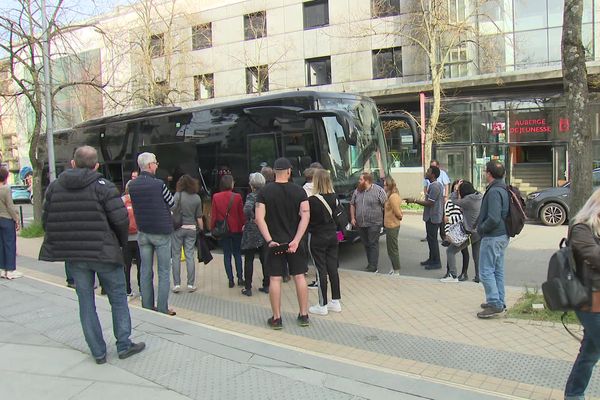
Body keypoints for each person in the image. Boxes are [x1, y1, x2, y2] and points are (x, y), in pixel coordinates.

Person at [39, 146, 145, 364]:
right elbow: (121, 220)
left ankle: (98, 351)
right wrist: (119, 243)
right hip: (104, 252)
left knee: (85, 302)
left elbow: (46, 220)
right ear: (96, 165)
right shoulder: (104, 187)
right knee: (117, 298)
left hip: (75, 256)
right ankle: (124, 344)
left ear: (73, 163)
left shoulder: (54, 188)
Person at [255, 157, 310, 329]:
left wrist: (269, 240)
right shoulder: (300, 192)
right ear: (288, 171)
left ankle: (277, 318)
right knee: (299, 276)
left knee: (275, 279)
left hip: (275, 244)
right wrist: (296, 240)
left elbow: (259, 218)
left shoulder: (264, 192)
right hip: (295, 244)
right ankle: (303, 315)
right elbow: (305, 216)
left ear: (273, 173)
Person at [128, 152, 176, 316]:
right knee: (163, 271)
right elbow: (171, 202)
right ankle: (162, 307)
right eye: (155, 162)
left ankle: (147, 305)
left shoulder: (132, 186)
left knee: (145, 270)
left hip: (143, 232)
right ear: (149, 165)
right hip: (161, 232)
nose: (157, 165)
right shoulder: (159, 184)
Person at [564, 189, 600, 400]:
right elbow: (594, 257)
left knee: (590, 353)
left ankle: (574, 394)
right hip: (589, 299)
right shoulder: (581, 228)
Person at [476, 160, 509, 319]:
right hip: (502, 235)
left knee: (485, 271)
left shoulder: (495, 191)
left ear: (489, 173)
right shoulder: (503, 188)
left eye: (485, 171)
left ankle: (495, 302)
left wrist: (481, 228)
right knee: (497, 271)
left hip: (493, 236)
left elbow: (494, 218)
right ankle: (499, 301)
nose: (484, 174)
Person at [307, 169, 342, 315]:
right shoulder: (335, 197)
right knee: (333, 268)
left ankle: (322, 305)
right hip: (332, 236)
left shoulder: (312, 200)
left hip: (317, 237)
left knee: (320, 269)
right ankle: (336, 301)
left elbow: (307, 220)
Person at [406, 166, 444, 270]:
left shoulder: (435, 186)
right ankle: (431, 259)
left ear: (433, 175)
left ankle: (436, 262)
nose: (426, 172)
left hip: (433, 217)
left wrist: (414, 200)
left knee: (433, 240)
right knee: (431, 240)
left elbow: (430, 203)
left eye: (428, 171)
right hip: (431, 217)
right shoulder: (433, 185)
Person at [211, 174, 245, 288]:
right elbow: (241, 215)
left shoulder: (216, 197)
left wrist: (212, 228)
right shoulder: (237, 197)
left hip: (223, 229)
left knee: (227, 254)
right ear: (231, 184)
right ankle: (240, 277)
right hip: (236, 228)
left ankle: (230, 280)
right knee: (237, 254)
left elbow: (214, 216)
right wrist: (243, 226)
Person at [349, 172, 387, 273]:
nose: (359, 181)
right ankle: (370, 263)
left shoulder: (379, 190)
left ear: (367, 181)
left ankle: (373, 266)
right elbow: (352, 204)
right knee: (366, 244)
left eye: (361, 179)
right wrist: (353, 218)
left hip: (374, 223)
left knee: (372, 243)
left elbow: (386, 205)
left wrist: (386, 219)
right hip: (361, 223)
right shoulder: (357, 191)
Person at [171, 175, 203, 293]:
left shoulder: (177, 196)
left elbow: (172, 210)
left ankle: (177, 284)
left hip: (178, 228)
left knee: (176, 256)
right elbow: (199, 217)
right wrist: (202, 229)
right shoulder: (196, 198)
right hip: (191, 228)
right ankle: (190, 284)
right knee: (190, 255)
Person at [241, 172, 267, 296]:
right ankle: (266, 284)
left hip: (253, 229)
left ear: (252, 185)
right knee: (265, 258)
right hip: (266, 228)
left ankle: (248, 287)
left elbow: (246, 209)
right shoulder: (268, 195)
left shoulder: (252, 196)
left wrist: (253, 218)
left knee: (249, 259)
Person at [452, 181, 483, 282]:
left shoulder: (468, 199)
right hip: (479, 230)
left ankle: (452, 275)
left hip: (470, 231)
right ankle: (479, 276)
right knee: (476, 254)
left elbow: (454, 200)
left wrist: (456, 190)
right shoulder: (479, 196)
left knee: (450, 251)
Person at [440, 180, 469, 282]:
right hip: (451, 230)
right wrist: (447, 232)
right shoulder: (449, 201)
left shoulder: (464, 201)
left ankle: (463, 273)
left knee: (463, 251)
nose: (456, 190)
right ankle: (449, 272)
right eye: (455, 188)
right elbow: (446, 217)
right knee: (450, 251)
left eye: (458, 189)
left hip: (462, 230)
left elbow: (462, 217)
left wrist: (451, 219)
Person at [0, 167, 21, 280]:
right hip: (7, 219)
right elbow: (10, 206)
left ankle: (2, 269)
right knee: (10, 244)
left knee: (1, 245)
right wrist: (16, 218)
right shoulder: (6, 189)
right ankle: (11, 270)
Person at [122, 181, 141, 297]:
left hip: (125, 239)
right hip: (139, 238)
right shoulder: (139, 200)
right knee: (141, 266)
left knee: (126, 266)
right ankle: (143, 290)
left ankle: (127, 290)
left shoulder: (121, 201)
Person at [383, 177, 403, 275]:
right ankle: (393, 268)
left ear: (389, 185)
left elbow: (397, 212)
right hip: (389, 225)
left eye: (385, 185)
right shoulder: (390, 195)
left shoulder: (393, 197)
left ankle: (396, 270)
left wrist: (399, 217)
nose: (384, 187)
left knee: (393, 249)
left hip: (392, 225)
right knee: (390, 249)